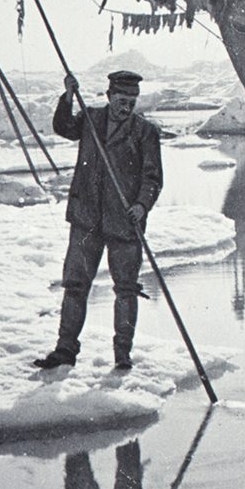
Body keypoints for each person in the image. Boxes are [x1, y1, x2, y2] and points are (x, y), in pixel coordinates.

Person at [34, 70, 162, 372]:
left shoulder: (146, 132)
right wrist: (68, 95)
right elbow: (62, 127)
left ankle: (122, 355)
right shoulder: (90, 120)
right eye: (120, 100)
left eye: (131, 101)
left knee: (126, 289)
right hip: (86, 218)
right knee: (75, 285)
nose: (125, 107)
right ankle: (65, 350)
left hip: (125, 221)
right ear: (109, 96)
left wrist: (142, 205)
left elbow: (153, 178)